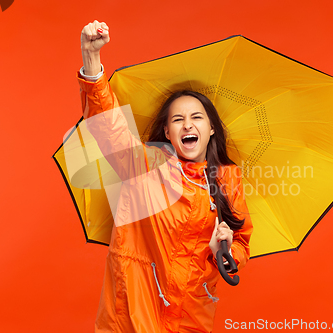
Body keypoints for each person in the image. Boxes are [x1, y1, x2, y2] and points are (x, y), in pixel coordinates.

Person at [78, 20, 253, 333]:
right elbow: (109, 128)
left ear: (211, 129)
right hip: (136, 309)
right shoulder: (144, 166)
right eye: (178, 119)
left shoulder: (228, 179)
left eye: (197, 117)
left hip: (191, 314)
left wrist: (225, 252)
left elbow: (241, 241)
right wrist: (92, 63)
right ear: (167, 132)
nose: (188, 125)